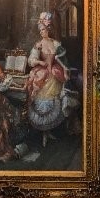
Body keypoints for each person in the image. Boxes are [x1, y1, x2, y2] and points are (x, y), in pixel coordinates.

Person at [27, 13, 70, 146]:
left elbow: (63, 59)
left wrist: (65, 70)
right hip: (42, 74)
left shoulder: (56, 44)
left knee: (54, 101)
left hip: (54, 74)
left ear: (48, 30)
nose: (42, 32)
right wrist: (40, 62)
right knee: (41, 103)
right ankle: (43, 134)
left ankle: (49, 132)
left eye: (44, 30)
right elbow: (30, 60)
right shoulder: (38, 45)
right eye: (40, 30)